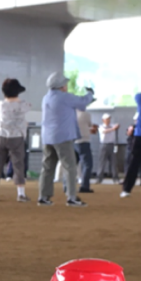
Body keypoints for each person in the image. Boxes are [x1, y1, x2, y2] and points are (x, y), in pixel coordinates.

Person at [38, 72, 93, 207]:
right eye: (65, 83)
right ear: (61, 86)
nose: (66, 85)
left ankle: (43, 197)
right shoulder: (65, 97)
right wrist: (90, 93)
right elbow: (83, 102)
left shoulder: (46, 98)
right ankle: (71, 197)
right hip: (62, 136)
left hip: (47, 136)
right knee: (70, 167)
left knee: (47, 167)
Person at [0, 79, 30, 202]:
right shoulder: (24, 104)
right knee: (18, 164)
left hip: (0, 135)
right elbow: (26, 109)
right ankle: (21, 194)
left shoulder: (0, 104)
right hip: (16, 136)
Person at [74, 106, 97, 194]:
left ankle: (67, 186)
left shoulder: (72, 114)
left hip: (73, 141)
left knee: (72, 165)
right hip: (83, 141)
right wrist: (93, 128)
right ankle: (84, 186)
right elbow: (91, 126)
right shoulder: (85, 114)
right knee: (87, 164)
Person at [97, 114, 121, 182]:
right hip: (103, 145)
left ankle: (115, 178)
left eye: (109, 119)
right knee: (102, 162)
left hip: (112, 144)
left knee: (114, 162)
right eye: (106, 119)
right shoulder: (101, 126)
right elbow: (104, 131)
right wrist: (113, 129)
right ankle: (99, 178)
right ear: (103, 120)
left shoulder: (112, 125)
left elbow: (117, 126)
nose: (108, 120)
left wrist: (116, 126)